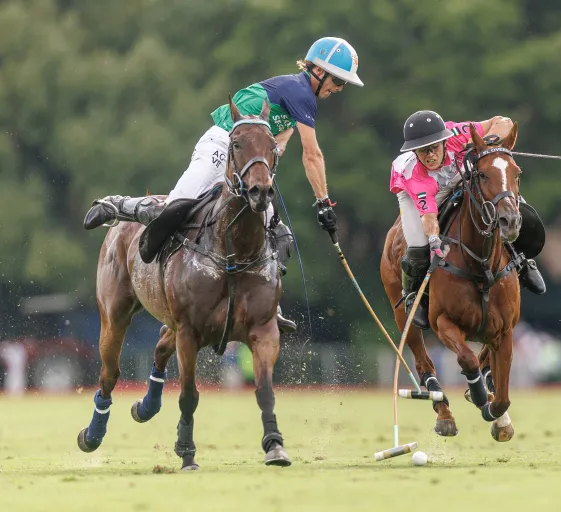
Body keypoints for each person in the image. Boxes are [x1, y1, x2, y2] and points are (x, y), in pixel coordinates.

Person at [83, 37, 364, 333]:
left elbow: (278, 145)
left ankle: (270, 305)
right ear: (318, 71)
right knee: (172, 209)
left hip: (248, 163)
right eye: (338, 80)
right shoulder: (300, 92)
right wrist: (323, 203)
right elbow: (312, 154)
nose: (340, 88)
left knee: (276, 234)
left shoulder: (300, 102)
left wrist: (262, 176)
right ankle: (116, 206)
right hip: (222, 143)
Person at [390, 110, 546, 329]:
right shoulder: (417, 176)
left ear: (445, 141)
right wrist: (434, 240)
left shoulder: (457, 133)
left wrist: (490, 141)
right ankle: (414, 295)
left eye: (433, 148)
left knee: (503, 193)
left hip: (455, 173)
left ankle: (523, 260)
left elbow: (503, 122)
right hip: (416, 191)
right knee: (418, 245)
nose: (429, 156)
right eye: (422, 151)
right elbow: (429, 216)